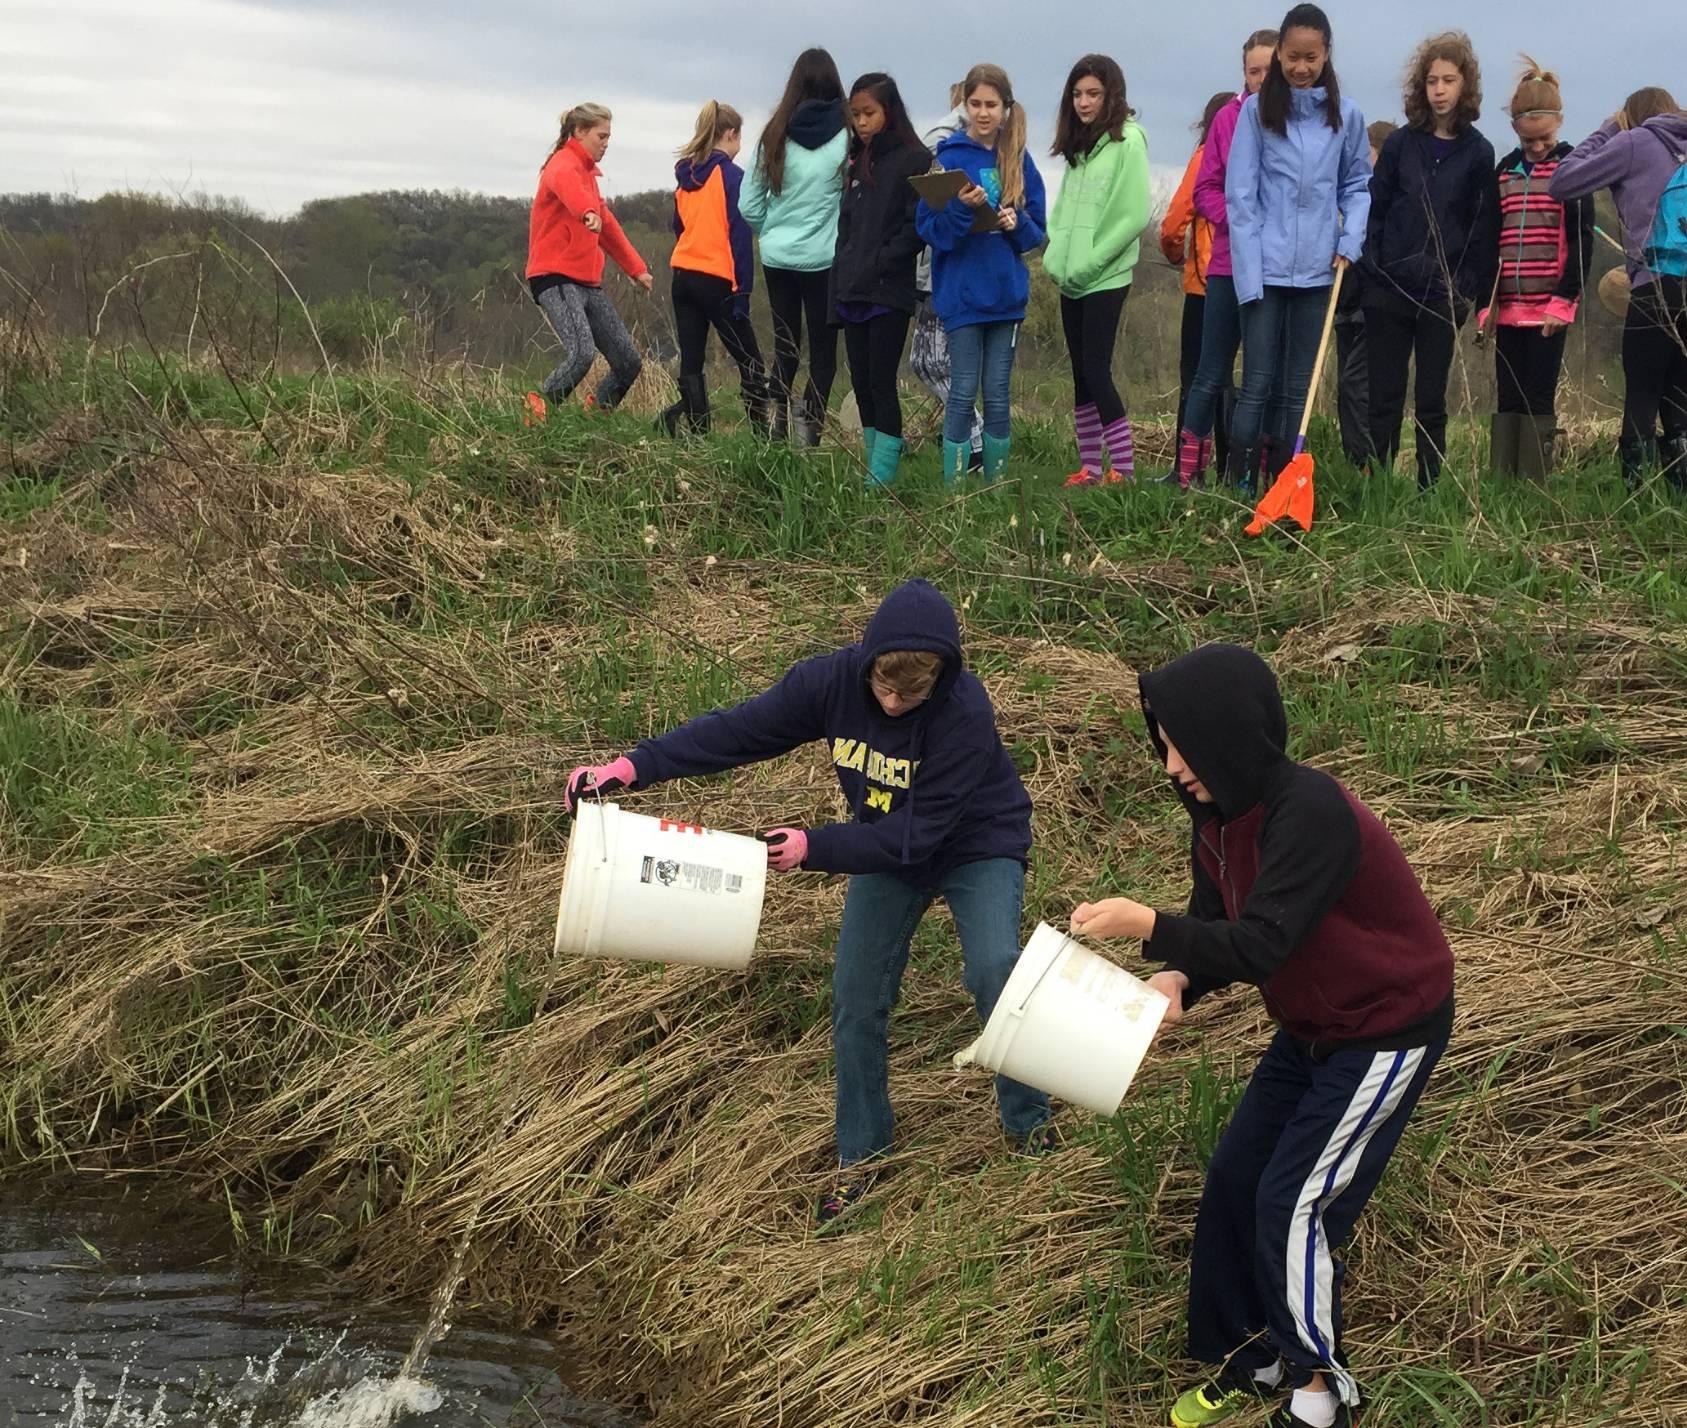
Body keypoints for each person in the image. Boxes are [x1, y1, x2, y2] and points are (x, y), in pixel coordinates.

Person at [564, 579, 1053, 1225]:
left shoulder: (963, 711)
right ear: (868, 660)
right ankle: (864, 1158)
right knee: (856, 997)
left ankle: (1030, 1129)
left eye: (913, 692)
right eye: (885, 685)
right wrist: (633, 767)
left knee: (994, 967)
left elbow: (918, 835)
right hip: (881, 845)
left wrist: (814, 846)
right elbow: (739, 731)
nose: (895, 702)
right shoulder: (829, 682)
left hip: (974, 844)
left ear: (942, 677)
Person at [1069, 644, 1453, 1428]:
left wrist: (1149, 927)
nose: (1173, 766)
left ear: (1229, 734)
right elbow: (1218, 928)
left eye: (1183, 744)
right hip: (1310, 1027)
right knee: (1238, 1177)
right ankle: (1259, 1348)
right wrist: (1178, 976)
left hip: (1383, 1028)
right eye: (1163, 745)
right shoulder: (1215, 825)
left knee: (1296, 1201)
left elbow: (1265, 942)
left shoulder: (1310, 811)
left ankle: (1320, 1394)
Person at [1550, 88, 1687, 491]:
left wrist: (1608, 130)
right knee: (1682, 388)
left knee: (1643, 393)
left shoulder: (1633, 142)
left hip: (1657, 284)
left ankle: (1638, 496)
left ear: (1632, 117)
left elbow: (1563, 181)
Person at [1225, 4, 1371, 492]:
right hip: (1263, 273)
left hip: (1317, 272)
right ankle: (1240, 486)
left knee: (1295, 392)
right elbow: (1240, 197)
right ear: (1280, 55)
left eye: (1311, 57)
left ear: (1326, 55)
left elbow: (1356, 184)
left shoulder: (1346, 116)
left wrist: (1350, 239)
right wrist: (1248, 276)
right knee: (1257, 385)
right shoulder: (1254, 112)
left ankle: (1284, 490)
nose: (1301, 67)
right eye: (1292, 57)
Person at [1361, 32, 1500, 490]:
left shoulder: (1479, 153)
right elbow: (1376, 208)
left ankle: (1429, 487)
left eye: (1448, 80)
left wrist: (1465, 291)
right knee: (1384, 395)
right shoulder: (1401, 144)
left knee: (1431, 399)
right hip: (1389, 289)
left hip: (1442, 294)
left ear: (1465, 86)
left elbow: (1483, 229)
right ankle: (1377, 483)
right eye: (1431, 81)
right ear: (1420, 87)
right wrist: (1375, 268)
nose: (1439, 90)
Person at [915, 63, 1048, 483]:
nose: (984, 112)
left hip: (1006, 296)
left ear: (1006, 108)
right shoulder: (948, 158)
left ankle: (997, 488)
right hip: (962, 296)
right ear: (964, 105)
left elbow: (1035, 233)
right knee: (961, 391)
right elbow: (930, 229)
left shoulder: (1018, 158)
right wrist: (961, 207)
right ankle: (954, 489)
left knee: (997, 394)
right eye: (976, 103)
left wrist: (1015, 225)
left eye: (992, 104)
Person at [1173, 29, 1279, 489]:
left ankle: (1249, 475)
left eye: (1269, 70)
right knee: (1209, 372)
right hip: (1226, 267)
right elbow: (1205, 190)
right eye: (1253, 71)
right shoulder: (1227, 120)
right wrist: (1239, 221)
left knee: (1262, 378)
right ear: (1244, 73)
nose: (1261, 79)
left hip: (1275, 272)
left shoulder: (1295, 121)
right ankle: (1189, 472)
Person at [1479, 57, 1593, 478]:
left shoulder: (1572, 170)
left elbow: (1582, 241)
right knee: (1507, 396)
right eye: (1530, 141)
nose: (1539, 147)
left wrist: (1565, 300)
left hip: (1549, 310)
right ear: (1515, 130)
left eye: (1545, 138)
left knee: (1538, 397)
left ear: (1559, 123)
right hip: (1508, 307)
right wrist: (1485, 305)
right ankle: (1502, 481)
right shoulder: (1503, 173)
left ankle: (1535, 485)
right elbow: (1488, 242)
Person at [1043, 54, 1151, 487]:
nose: (1084, 102)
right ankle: (1090, 466)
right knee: (1079, 372)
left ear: (1111, 95)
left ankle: (1123, 469)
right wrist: (1057, 259)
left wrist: (1091, 262)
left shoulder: (1129, 141)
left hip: (1105, 276)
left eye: (1093, 94)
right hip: (1070, 279)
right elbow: (1064, 212)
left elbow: (1132, 215)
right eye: (1077, 94)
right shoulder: (1079, 148)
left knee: (1097, 368)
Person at [742, 48, 849, 447]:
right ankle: (809, 438)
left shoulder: (773, 132)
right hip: (824, 259)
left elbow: (748, 204)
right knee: (824, 356)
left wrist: (771, 232)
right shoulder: (848, 134)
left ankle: (777, 433)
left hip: (778, 257)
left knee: (785, 348)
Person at [522, 103, 653, 424]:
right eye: (601, 136)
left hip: (586, 282)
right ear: (579, 132)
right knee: (582, 353)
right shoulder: (562, 165)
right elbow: (570, 191)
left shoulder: (589, 177)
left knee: (627, 361)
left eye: (609, 137)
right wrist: (586, 212)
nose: (606, 143)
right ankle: (534, 417)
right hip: (555, 277)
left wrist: (636, 269)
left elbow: (608, 227)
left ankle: (592, 419)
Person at [833, 73, 932, 487]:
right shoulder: (857, 159)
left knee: (881, 380)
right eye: (855, 114)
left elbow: (915, 227)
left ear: (888, 111)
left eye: (869, 113)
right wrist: (843, 272)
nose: (861, 122)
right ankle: (872, 465)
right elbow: (847, 225)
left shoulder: (915, 159)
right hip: (853, 287)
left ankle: (884, 476)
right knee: (860, 382)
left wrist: (881, 261)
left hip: (889, 289)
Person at [657, 102, 772, 438]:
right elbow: (739, 238)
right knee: (751, 361)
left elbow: (678, 226)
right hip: (717, 279)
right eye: (740, 138)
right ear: (731, 134)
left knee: (692, 361)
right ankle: (762, 438)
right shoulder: (733, 177)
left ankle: (699, 436)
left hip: (683, 276)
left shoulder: (684, 178)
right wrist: (743, 293)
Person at [1162, 91, 1237, 486]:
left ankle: (1187, 470)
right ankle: (1231, 469)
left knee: (1196, 377)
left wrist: (1175, 254)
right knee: (1229, 379)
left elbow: (1175, 221)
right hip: (1246, 280)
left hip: (1204, 282)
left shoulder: (1204, 155)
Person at [912, 89, 984, 474]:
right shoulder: (950, 138)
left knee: (938, 361)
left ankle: (975, 440)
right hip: (929, 268)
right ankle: (974, 437)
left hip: (945, 272)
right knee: (922, 361)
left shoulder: (946, 139)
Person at [1330, 121, 1397, 472]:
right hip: (1346, 302)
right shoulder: (1351, 194)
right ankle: (1353, 463)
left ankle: (1370, 463)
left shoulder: (1390, 197)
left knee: (1358, 384)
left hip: (1375, 304)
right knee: (1346, 388)